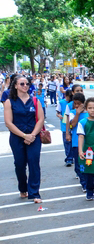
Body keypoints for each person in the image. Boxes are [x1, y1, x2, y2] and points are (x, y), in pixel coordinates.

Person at [3, 75, 45, 203]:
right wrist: (24, 136)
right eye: (22, 84)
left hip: (34, 137)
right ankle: (23, 188)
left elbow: (41, 119)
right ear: (15, 86)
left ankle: (34, 193)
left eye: (27, 84)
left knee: (34, 163)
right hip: (17, 137)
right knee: (19, 164)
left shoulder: (35, 101)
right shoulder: (9, 102)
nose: (25, 86)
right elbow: (8, 123)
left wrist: (32, 135)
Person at [67, 93, 88, 190]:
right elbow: (72, 124)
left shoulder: (88, 113)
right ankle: (83, 183)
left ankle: (87, 183)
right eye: (75, 103)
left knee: (87, 164)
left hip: (88, 143)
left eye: (78, 104)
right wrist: (77, 113)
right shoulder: (72, 112)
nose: (76, 106)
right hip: (76, 143)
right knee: (78, 165)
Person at [58, 88, 74, 167]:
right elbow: (58, 112)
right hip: (65, 126)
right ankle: (69, 158)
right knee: (67, 142)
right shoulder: (61, 102)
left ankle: (72, 157)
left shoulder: (75, 103)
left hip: (74, 126)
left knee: (73, 142)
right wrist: (59, 115)